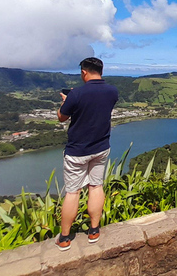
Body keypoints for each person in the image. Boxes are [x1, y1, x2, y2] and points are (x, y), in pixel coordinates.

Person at [55, 57, 118, 251]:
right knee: (96, 186)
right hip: (101, 148)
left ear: (84, 72)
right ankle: (94, 231)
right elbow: (98, 109)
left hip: (77, 151)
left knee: (73, 192)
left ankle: (65, 237)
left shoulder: (77, 95)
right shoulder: (112, 91)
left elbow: (61, 118)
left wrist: (68, 101)